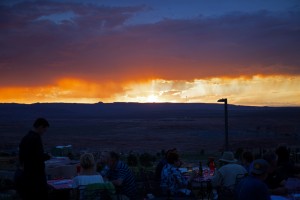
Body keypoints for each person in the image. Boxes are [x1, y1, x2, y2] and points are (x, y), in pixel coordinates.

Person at [16, 117, 51, 200]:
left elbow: (22, 156)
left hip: (27, 174)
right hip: (36, 175)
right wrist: (47, 156)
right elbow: (38, 156)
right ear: (40, 127)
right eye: (44, 130)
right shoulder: (36, 138)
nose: (43, 132)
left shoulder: (25, 138)